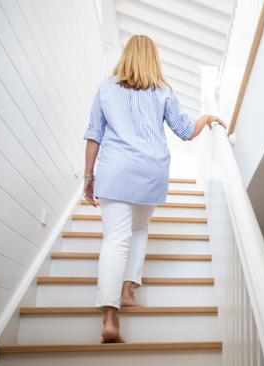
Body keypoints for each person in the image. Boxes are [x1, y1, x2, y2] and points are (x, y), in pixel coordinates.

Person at [82, 35, 224, 343]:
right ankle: (128, 290)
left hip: (115, 170)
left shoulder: (105, 89)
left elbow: (94, 135)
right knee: (139, 230)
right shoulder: (163, 92)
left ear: (126, 57)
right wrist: (206, 117)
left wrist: (88, 177)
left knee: (115, 238)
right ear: (153, 59)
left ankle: (110, 316)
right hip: (150, 170)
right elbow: (186, 132)